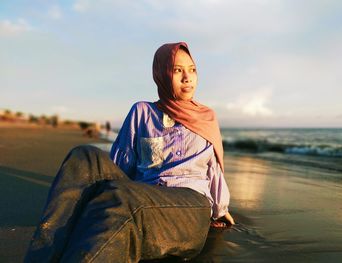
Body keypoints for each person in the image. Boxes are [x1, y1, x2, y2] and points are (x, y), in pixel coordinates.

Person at [25, 42, 234, 263]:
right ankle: (43, 255)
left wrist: (221, 209)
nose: (187, 78)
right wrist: (106, 190)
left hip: (189, 204)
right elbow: (120, 165)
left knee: (124, 198)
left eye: (192, 70)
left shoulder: (206, 117)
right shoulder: (143, 111)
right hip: (143, 194)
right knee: (84, 156)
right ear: (161, 74)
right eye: (177, 70)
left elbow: (214, 169)